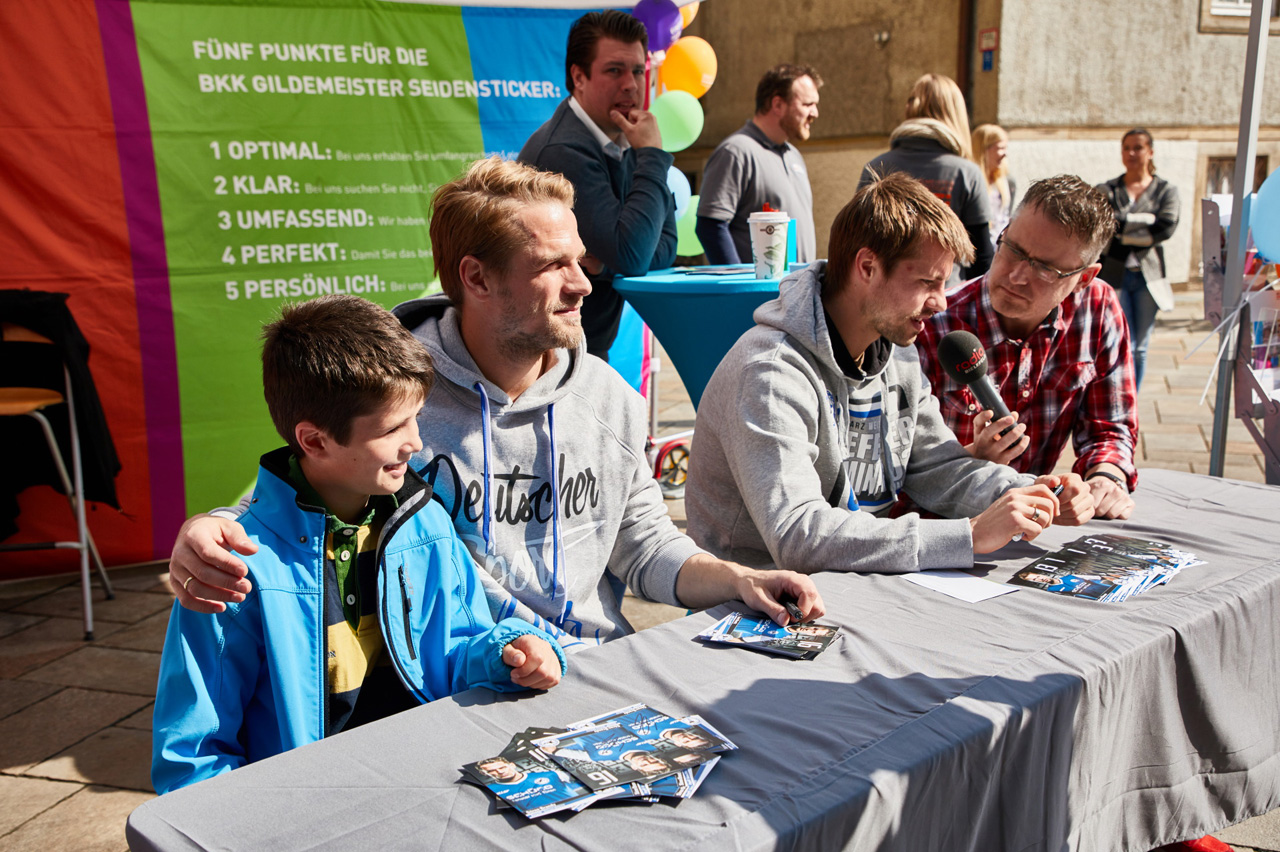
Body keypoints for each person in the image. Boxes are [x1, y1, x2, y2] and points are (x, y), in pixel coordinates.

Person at [168, 157, 824, 651]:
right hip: (454, 689)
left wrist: (738, 580)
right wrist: (213, 528)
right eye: (551, 266)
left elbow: (644, 547)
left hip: (598, 673)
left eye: (579, 260)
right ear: (476, 278)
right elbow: (303, 491)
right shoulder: (396, 398)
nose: (582, 284)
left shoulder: (609, 398)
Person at [152, 295, 567, 795]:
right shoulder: (230, 571)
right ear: (315, 441)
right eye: (392, 428)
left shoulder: (427, 523)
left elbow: (456, 652)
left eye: (416, 417)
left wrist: (508, 652)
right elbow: (194, 755)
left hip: (429, 783)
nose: (415, 442)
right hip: (308, 806)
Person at [685, 172, 1094, 576]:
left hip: (852, 581)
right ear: (867, 267)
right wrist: (969, 534)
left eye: (944, 283)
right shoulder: (770, 373)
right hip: (756, 600)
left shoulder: (898, 353)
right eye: (927, 282)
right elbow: (799, 535)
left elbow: (937, 468)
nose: (940, 302)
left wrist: (1030, 492)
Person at [915, 175, 1138, 521]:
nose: (1017, 276)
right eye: (1013, 250)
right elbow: (898, 472)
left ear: (1083, 278)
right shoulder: (933, 323)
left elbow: (1109, 428)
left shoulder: (1098, 308)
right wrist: (971, 460)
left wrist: (1105, 477)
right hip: (944, 530)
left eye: (1045, 269)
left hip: (1035, 527)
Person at [518, 10, 677, 359]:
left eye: (638, 70)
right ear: (579, 77)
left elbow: (666, 246)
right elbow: (634, 255)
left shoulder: (624, 139)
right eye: (614, 70)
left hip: (580, 351)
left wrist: (606, 264)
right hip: (548, 358)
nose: (631, 84)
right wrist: (651, 154)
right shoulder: (564, 151)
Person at [858, 73, 993, 283]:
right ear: (956, 114)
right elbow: (982, 258)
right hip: (945, 296)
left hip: (884, 292)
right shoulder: (966, 173)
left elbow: (857, 242)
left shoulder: (875, 168)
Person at [695, 63, 822, 265]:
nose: (815, 113)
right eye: (807, 104)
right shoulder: (736, 151)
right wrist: (740, 281)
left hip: (798, 285)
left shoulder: (794, 155)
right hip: (759, 288)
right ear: (777, 105)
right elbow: (710, 227)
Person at [1096, 128, 1181, 390]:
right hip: (1114, 274)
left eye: (1138, 147)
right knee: (1121, 341)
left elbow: (1165, 227)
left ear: (1150, 152)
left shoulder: (1165, 190)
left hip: (1148, 277)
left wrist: (1123, 226)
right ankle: (1118, 394)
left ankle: (1133, 397)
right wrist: (1146, 222)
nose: (1131, 153)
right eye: (1126, 148)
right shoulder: (1107, 189)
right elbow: (1103, 226)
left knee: (1140, 346)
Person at [970, 123, 1016, 250]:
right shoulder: (971, 183)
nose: (1005, 154)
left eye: (1006, 148)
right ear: (983, 150)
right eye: (1000, 148)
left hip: (999, 249)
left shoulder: (1008, 182)